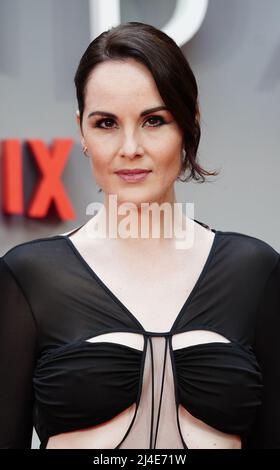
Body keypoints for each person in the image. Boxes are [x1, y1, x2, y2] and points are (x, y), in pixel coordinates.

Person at [0, 21, 279, 450]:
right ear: (82, 132)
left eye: (153, 120)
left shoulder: (254, 271)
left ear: (188, 124)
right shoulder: (30, 276)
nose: (130, 147)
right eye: (106, 123)